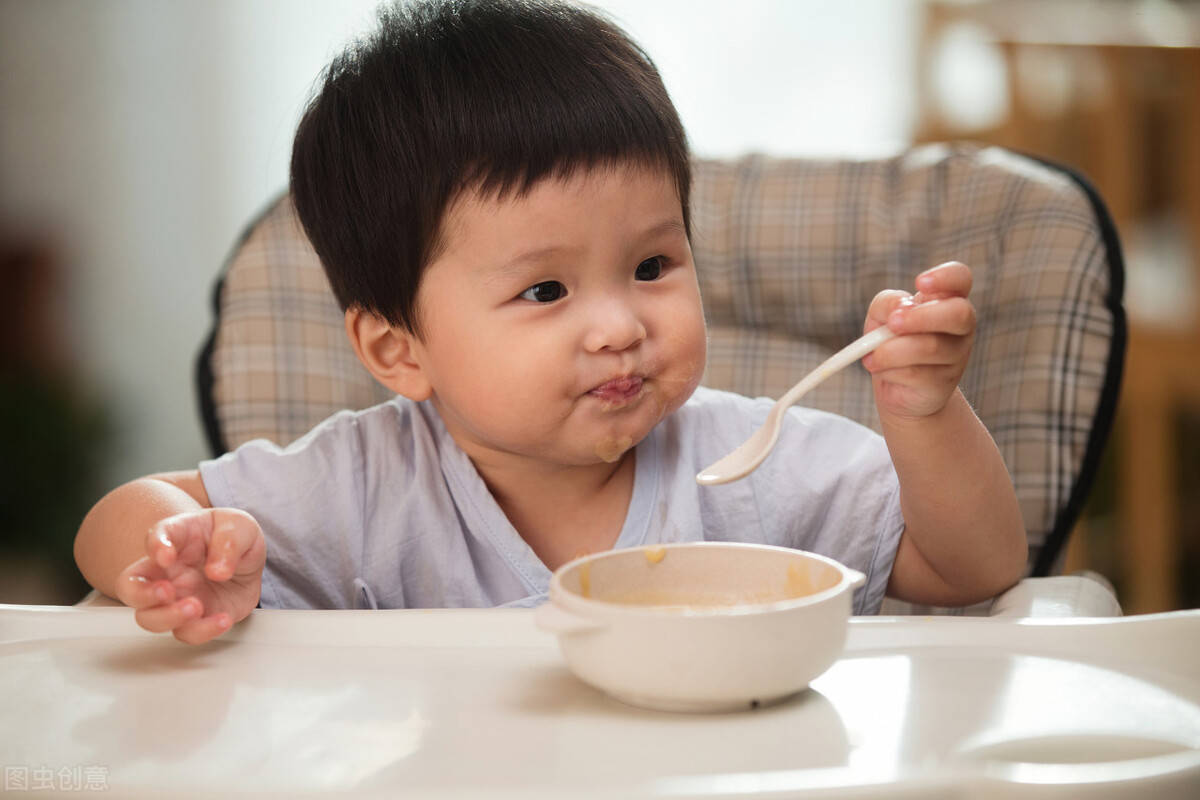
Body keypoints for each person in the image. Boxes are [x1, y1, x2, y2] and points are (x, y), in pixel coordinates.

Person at [74, 0, 1026, 644]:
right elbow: (119, 516)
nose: (618, 325)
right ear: (397, 350)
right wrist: (181, 559)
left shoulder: (759, 468)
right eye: (545, 292)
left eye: (652, 266)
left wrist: (924, 415)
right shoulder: (364, 489)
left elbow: (973, 569)